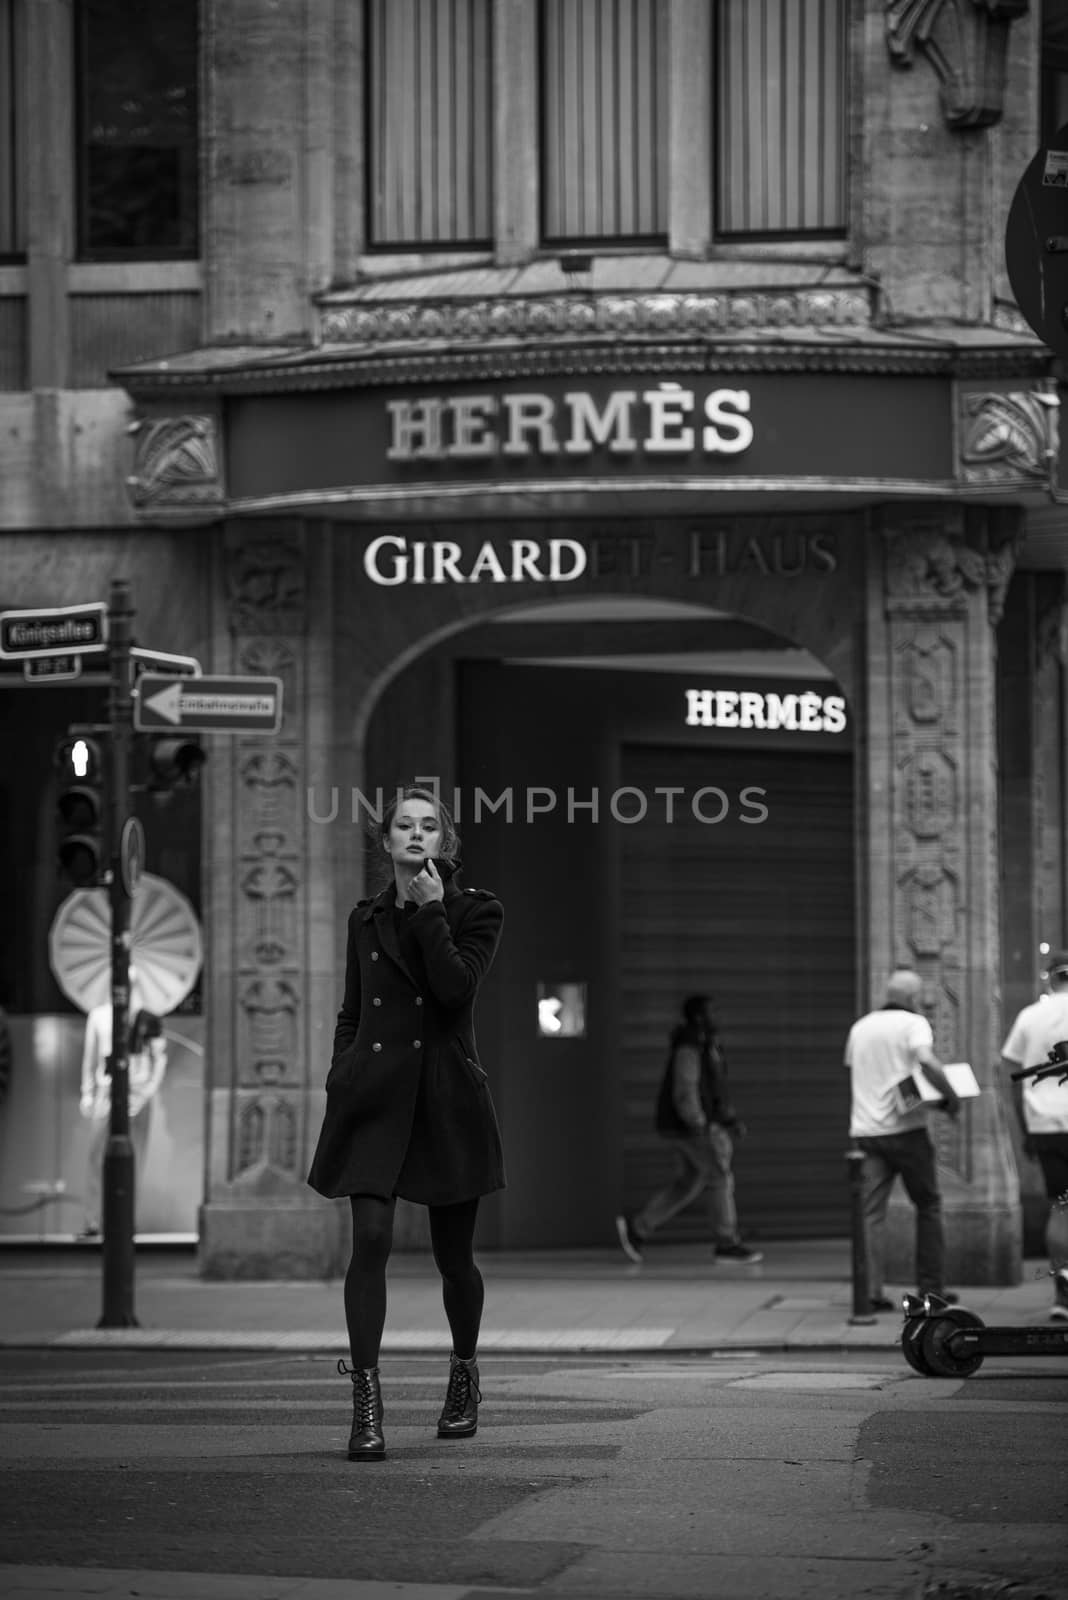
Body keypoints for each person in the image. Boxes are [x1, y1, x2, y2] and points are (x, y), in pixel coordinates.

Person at [307, 785, 505, 1462]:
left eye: (429, 826)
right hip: (375, 1099)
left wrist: (429, 912)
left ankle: (463, 1374)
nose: (416, 835)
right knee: (371, 1236)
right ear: (385, 840)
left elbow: (453, 990)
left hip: (446, 1098)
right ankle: (366, 1400)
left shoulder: (477, 911)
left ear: (443, 842)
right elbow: (351, 1011)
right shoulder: (363, 919)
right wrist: (343, 1072)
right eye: (404, 826)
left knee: (455, 1259)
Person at [615, 994, 763, 1266]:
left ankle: (638, 1230)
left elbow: (715, 1088)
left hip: (693, 1126)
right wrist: (699, 1124)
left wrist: (728, 1121)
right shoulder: (690, 1046)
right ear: (698, 1017)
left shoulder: (706, 1044)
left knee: (689, 1182)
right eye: (712, 1012)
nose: (717, 1017)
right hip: (692, 1128)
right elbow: (686, 1089)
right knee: (719, 1176)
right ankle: (727, 1242)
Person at [845, 969, 961, 1312]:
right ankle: (930, 1291)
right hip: (907, 1134)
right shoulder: (913, 1024)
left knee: (869, 1215)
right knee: (928, 1207)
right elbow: (926, 1061)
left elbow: (859, 1072)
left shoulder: (860, 1027)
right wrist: (951, 1097)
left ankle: (869, 1292)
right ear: (911, 999)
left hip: (865, 1133)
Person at [1000, 950, 1068, 1323]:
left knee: (1061, 1207)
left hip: (1045, 1126)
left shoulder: (1030, 1016)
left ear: (1049, 978)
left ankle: (1062, 1293)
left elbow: (1011, 1078)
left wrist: (1022, 1129)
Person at [79, 967, 167, 1237]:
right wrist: (88, 1092)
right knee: (97, 1157)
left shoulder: (147, 1018)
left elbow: (159, 1058)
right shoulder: (99, 1017)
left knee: (135, 1158)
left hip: (137, 1093)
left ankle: (126, 1220)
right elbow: (90, 1057)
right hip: (107, 1091)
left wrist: (148, 1091)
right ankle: (93, 1220)